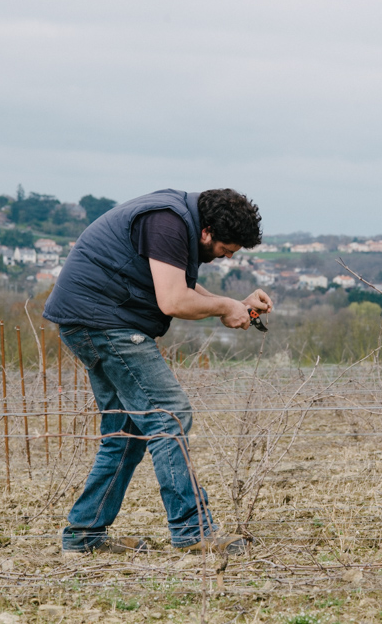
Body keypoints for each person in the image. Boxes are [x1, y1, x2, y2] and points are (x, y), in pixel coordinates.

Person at [43, 188, 272, 555]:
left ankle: (85, 534)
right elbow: (174, 300)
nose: (224, 258)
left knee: (126, 429)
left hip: (87, 320)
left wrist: (235, 304)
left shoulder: (177, 220)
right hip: (104, 323)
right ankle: (193, 531)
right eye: (225, 250)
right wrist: (224, 307)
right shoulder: (167, 222)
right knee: (170, 414)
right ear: (207, 232)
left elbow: (181, 286)